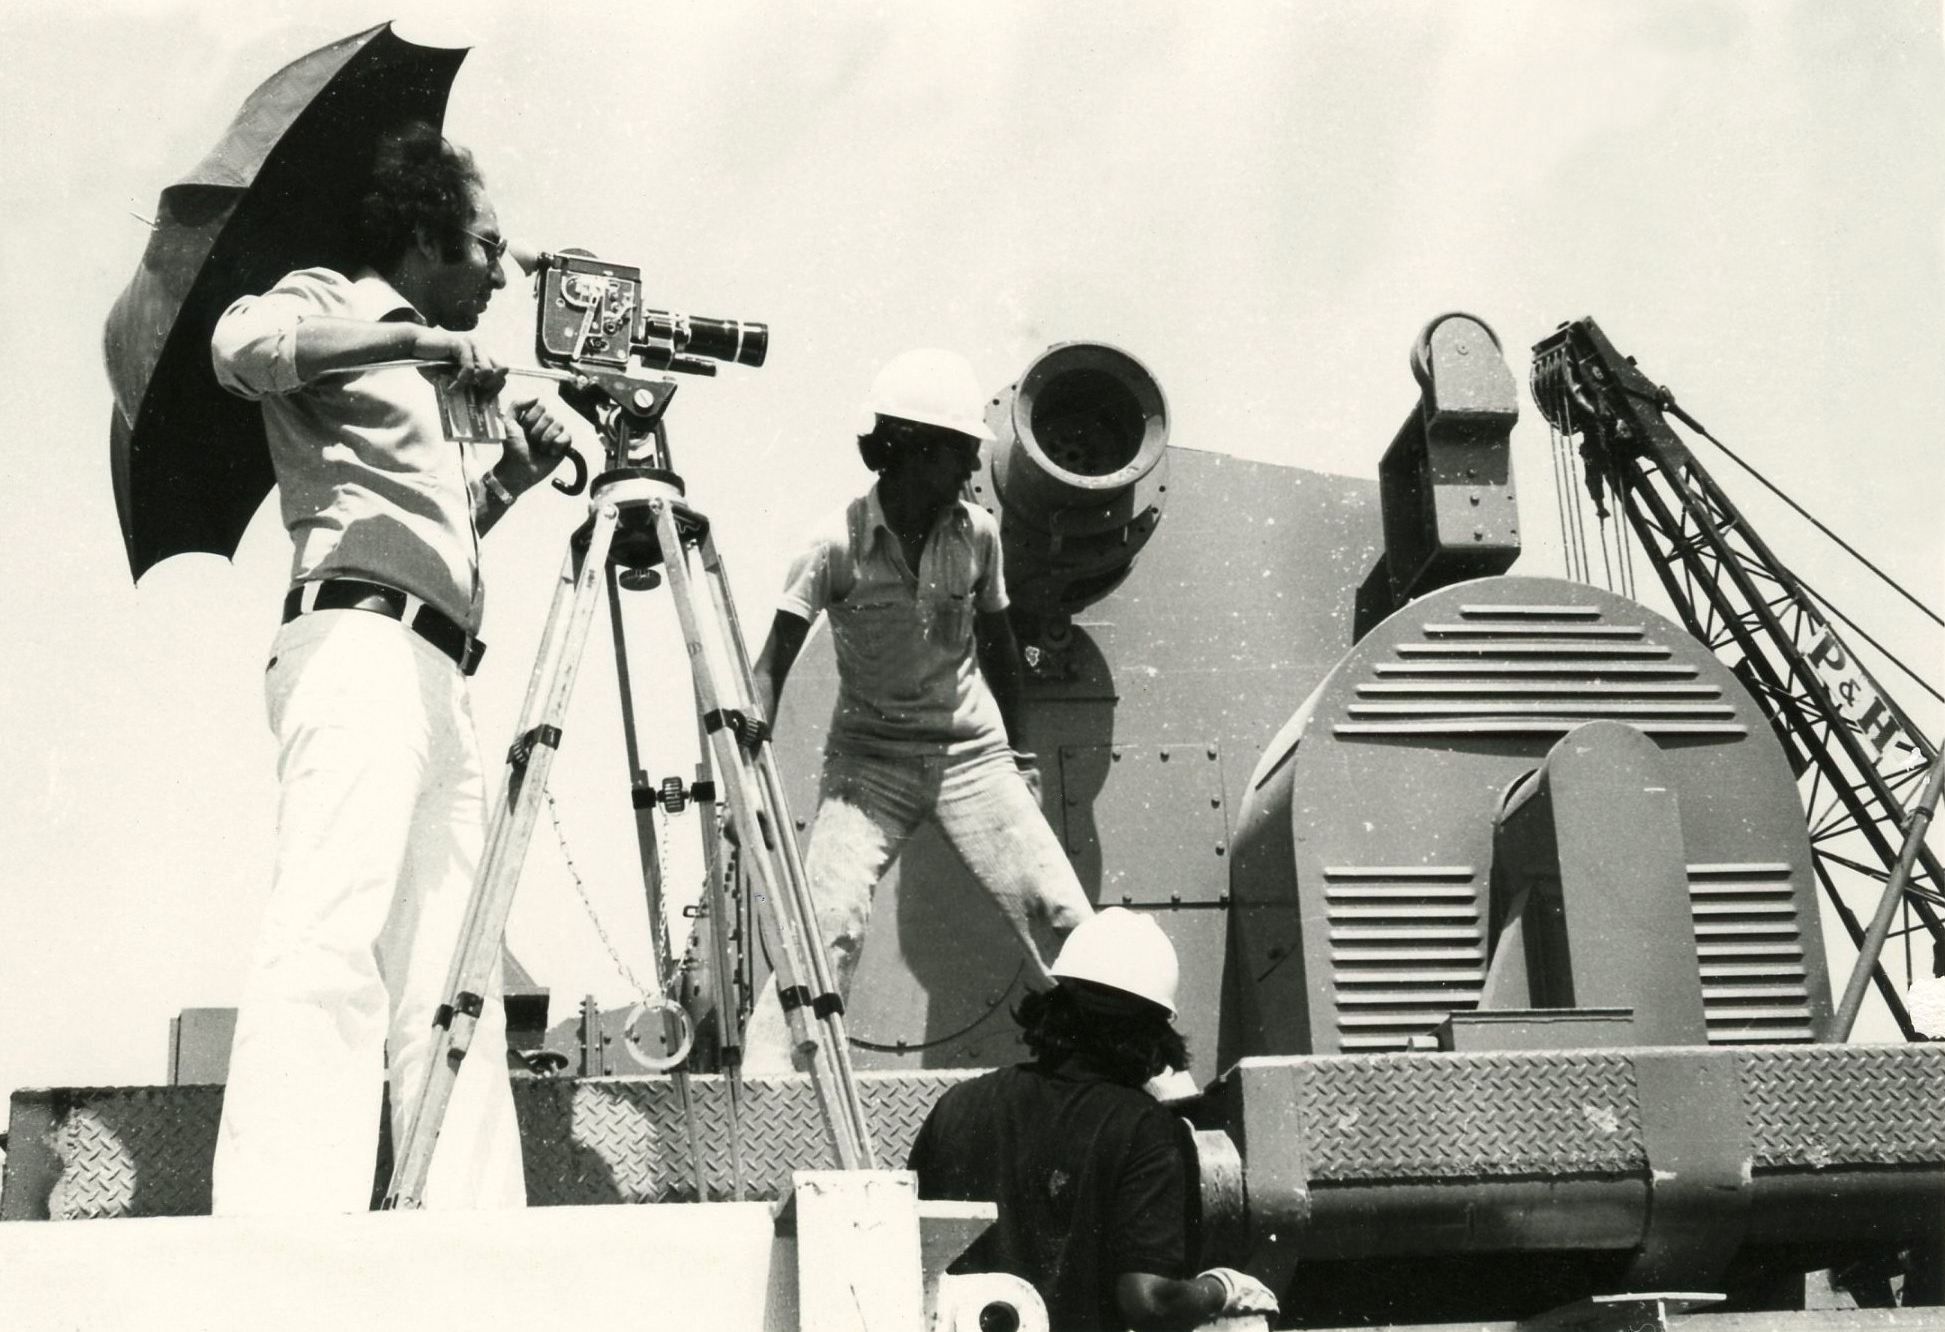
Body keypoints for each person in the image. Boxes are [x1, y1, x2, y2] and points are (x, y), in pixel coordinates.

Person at [206, 122, 572, 1213]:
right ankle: (284, 1219)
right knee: (331, 929)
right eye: (488, 247)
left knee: (451, 972)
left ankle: (466, 1221)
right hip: (356, 647)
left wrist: (513, 476)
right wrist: (410, 341)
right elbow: (239, 347)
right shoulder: (334, 297)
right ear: (425, 233)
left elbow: (436, 534)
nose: (502, 272)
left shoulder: (438, 365)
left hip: (436, 666)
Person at [744, 347, 1094, 1070]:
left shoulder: (979, 535)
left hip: (973, 757)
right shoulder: (832, 544)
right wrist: (745, 774)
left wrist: (1020, 756)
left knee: (1060, 910)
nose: (972, 466)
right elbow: (769, 666)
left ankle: (1146, 1075)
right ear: (910, 448)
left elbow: (1000, 649)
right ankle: (770, 1087)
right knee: (826, 927)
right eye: (959, 450)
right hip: (869, 767)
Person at [908, 908, 1280, 1332]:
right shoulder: (1146, 1131)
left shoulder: (959, 1106)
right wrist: (1223, 1290)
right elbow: (1148, 1302)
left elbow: (909, 1255)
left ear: (1054, 1006)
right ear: (1153, 1032)